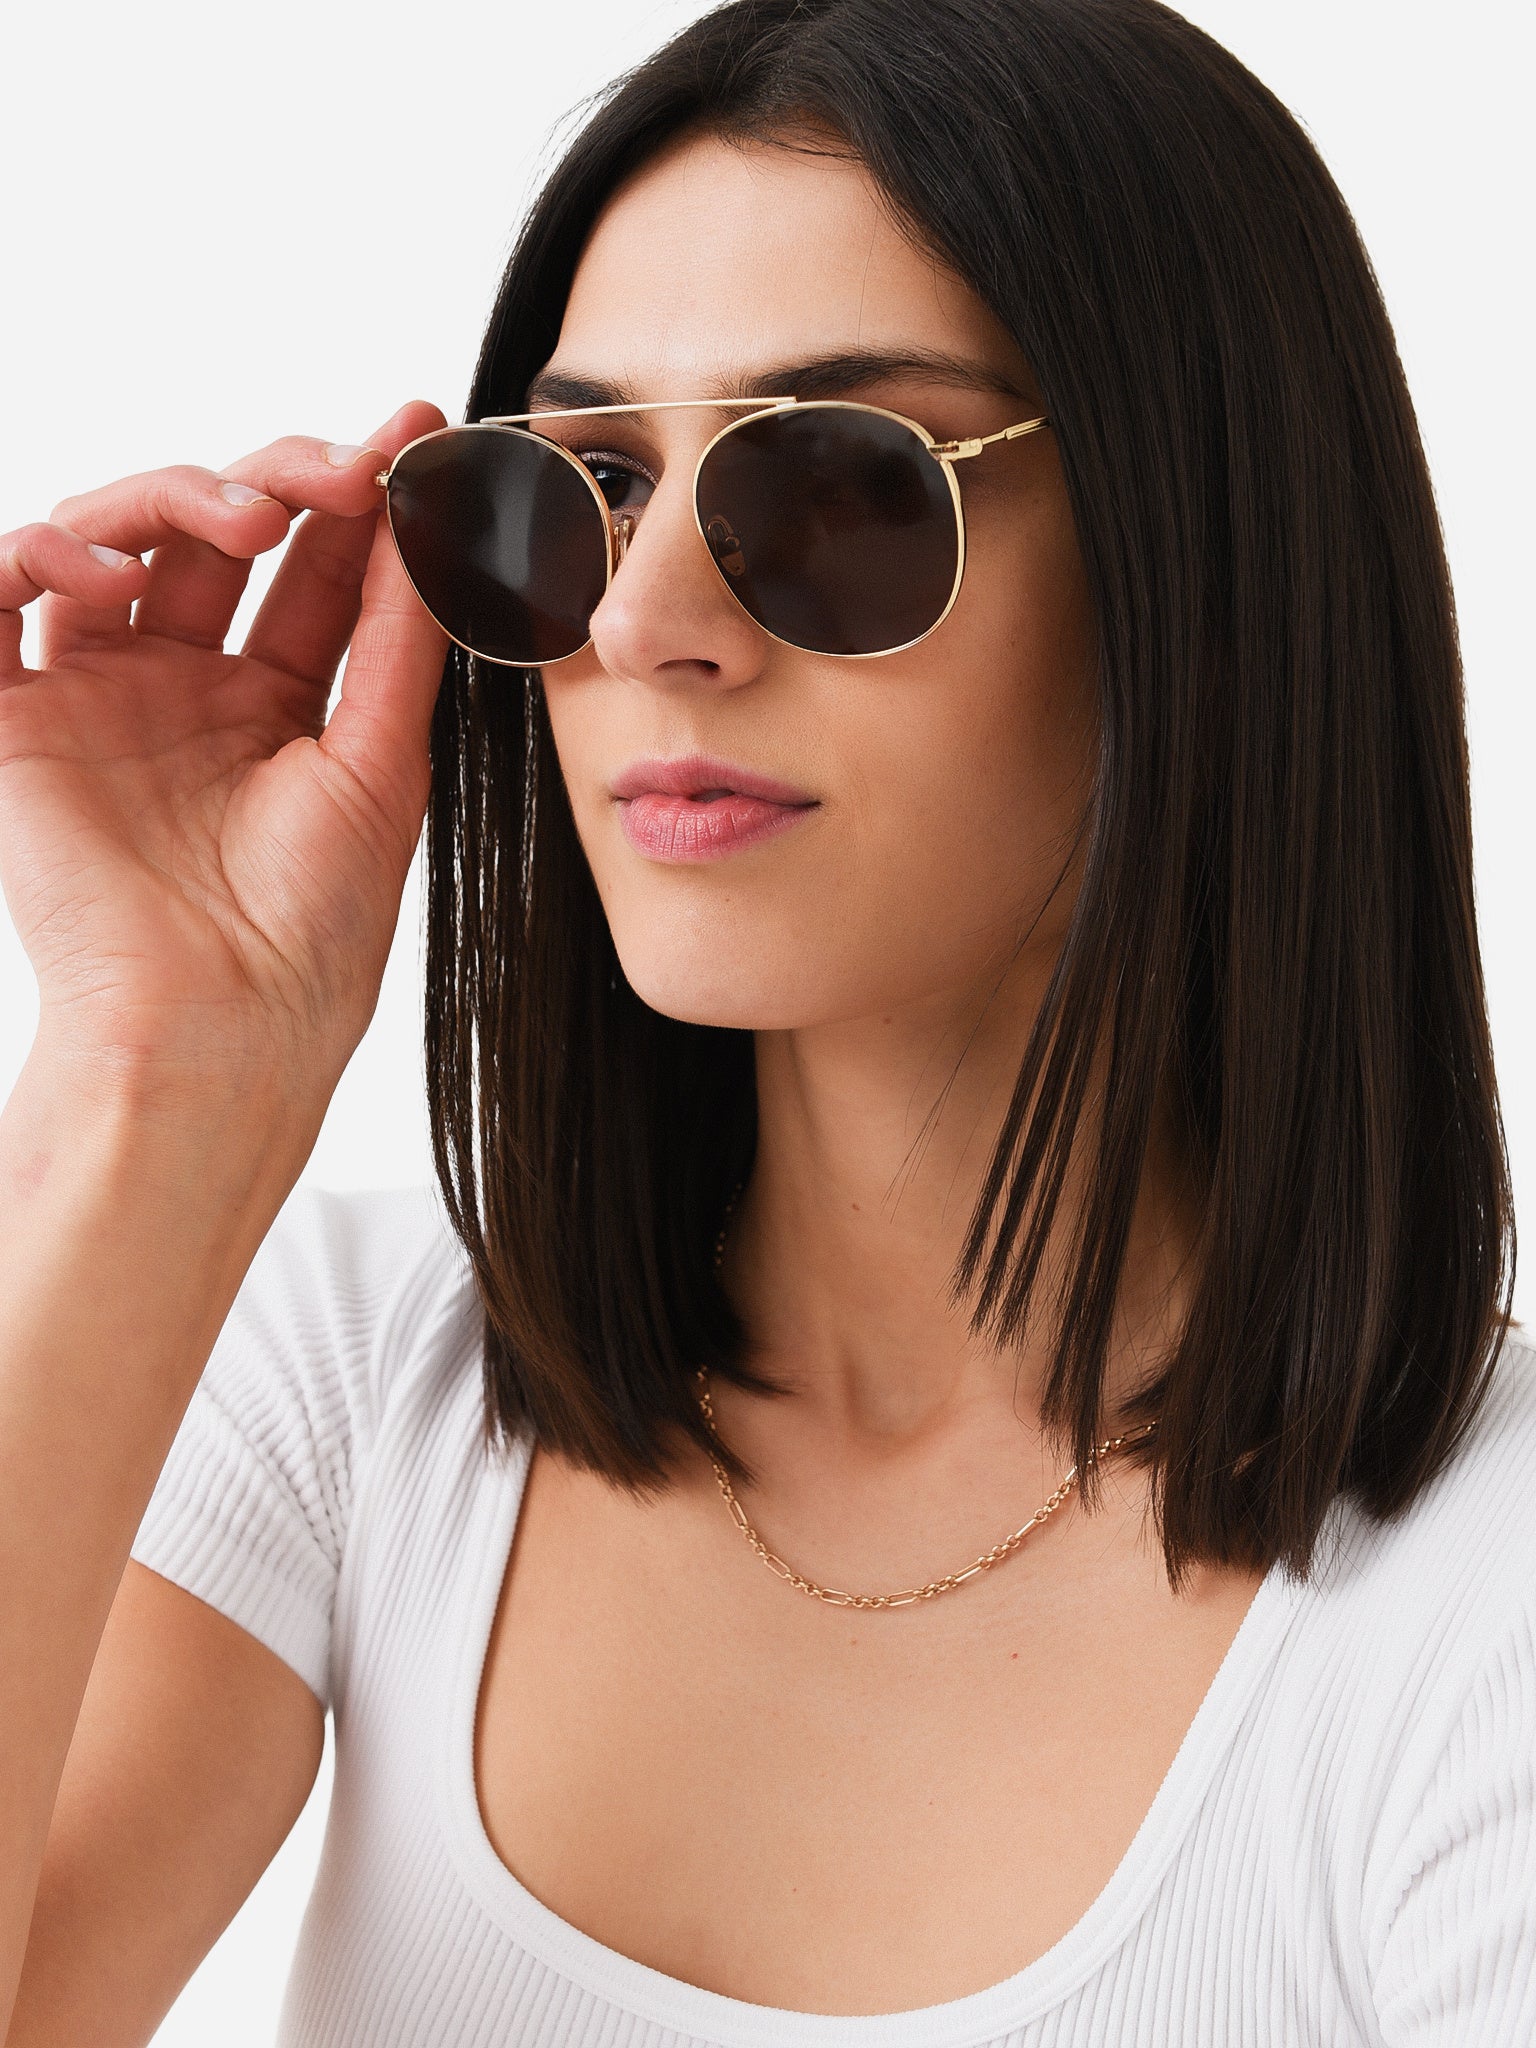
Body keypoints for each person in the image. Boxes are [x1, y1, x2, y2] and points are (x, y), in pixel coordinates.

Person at [1, 0, 1530, 2041]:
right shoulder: (356, 1384)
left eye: (836, 487)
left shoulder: (1485, 1615)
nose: (643, 623)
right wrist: (153, 1073)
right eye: (585, 485)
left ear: (1201, 555)